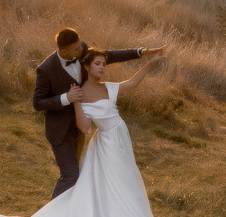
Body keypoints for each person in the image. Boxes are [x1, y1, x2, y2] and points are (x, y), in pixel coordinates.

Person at [0, 49, 199, 217]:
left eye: (104, 64)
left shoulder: (107, 87)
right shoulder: (81, 92)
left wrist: (151, 62)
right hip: (106, 146)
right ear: (88, 67)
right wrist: (75, 102)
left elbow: (132, 83)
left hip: (121, 142)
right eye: (97, 64)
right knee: (115, 187)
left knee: (129, 185)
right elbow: (84, 127)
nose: (102, 68)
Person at [33, 27, 161, 199]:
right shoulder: (46, 69)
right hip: (60, 130)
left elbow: (108, 56)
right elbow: (38, 102)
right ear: (64, 51)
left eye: (80, 46)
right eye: (77, 49)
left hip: (80, 127)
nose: (81, 50)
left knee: (77, 175)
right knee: (71, 175)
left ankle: (72, 214)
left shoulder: (82, 52)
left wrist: (142, 52)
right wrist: (67, 98)